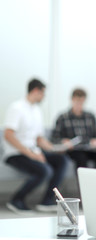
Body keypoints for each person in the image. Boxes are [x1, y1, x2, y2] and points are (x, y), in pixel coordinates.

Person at [3, 78, 69, 214]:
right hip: (16, 154)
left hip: (33, 151)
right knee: (45, 170)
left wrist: (54, 148)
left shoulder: (36, 111)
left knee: (62, 161)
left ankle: (47, 201)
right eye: (43, 93)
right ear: (35, 90)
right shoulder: (17, 108)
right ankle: (16, 200)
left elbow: (39, 139)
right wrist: (32, 155)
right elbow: (8, 135)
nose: (44, 97)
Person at [52, 88, 96, 170]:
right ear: (72, 100)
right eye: (77, 101)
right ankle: (83, 182)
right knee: (81, 157)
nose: (79, 104)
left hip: (89, 149)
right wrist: (64, 141)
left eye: (81, 102)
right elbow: (54, 138)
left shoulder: (90, 117)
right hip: (73, 150)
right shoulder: (63, 118)